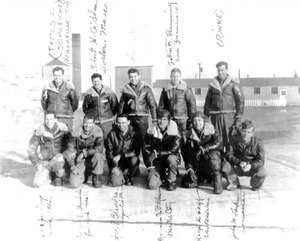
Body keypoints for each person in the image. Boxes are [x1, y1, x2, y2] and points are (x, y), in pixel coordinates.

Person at [204, 61, 245, 150]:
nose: (220, 72)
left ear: (227, 70)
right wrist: (206, 117)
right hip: (215, 117)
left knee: (230, 140)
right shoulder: (212, 85)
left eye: (222, 70)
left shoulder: (233, 83)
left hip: (229, 117)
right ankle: (219, 161)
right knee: (217, 140)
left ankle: (229, 161)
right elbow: (207, 102)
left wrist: (238, 117)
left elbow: (240, 101)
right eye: (218, 70)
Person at [182, 113, 223, 194]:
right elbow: (188, 154)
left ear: (204, 121)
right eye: (195, 121)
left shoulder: (212, 130)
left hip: (212, 160)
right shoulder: (190, 135)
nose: (197, 123)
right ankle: (204, 176)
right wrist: (190, 169)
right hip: (199, 163)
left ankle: (216, 178)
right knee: (187, 183)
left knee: (213, 155)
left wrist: (203, 149)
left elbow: (218, 143)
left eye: (200, 120)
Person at [27, 111, 70, 187]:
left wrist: (66, 130)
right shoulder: (41, 131)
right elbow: (31, 149)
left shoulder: (61, 129)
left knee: (58, 180)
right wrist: (36, 164)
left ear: (55, 119)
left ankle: (57, 175)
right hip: (45, 162)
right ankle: (48, 174)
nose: (49, 121)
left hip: (58, 160)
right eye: (47, 119)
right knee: (37, 184)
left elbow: (71, 143)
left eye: (51, 119)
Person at [143, 109, 181, 191]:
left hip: (170, 157)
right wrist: (150, 163)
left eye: (165, 119)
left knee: (172, 159)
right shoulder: (151, 130)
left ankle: (171, 180)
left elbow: (174, 149)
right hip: (157, 160)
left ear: (169, 121)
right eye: (160, 118)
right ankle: (161, 176)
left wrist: (158, 153)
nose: (162, 122)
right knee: (152, 185)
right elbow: (146, 147)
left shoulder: (175, 131)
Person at [223, 120, 267, 191]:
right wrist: (239, 162)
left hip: (251, 167)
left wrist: (251, 165)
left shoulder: (259, 143)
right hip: (237, 166)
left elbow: (261, 161)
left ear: (252, 134)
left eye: (248, 132)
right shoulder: (233, 140)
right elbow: (228, 155)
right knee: (225, 165)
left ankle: (255, 185)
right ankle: (234, 182)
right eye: (244, 131)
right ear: (240, 131)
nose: (246, 134)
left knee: (262, 172)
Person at [64, 114, 106, 188]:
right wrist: (73, 165)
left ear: (93, 124)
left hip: (93, 157)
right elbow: (70, 149)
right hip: (80, 159)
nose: (87, 125)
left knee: (98, 155)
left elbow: (99, 148)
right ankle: (85, 174)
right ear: (83, 122)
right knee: (74, 184)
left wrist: (84, 153)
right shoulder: (76, 131)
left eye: (90, 123)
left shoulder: (98, 131)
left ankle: (96, 177)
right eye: (86, 122)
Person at [118, 68, 157, 139]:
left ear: (139, 76)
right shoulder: (125, 90)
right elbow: (121, 106)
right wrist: (119, 118)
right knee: (131, 140)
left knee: (144, 140)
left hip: (142, 118)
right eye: (131, 77)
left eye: (135, 76)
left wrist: (154, 119)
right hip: (130, 118)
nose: (133, 79)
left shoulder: (146, 89)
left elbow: (153, 105)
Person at [158, 68, 196, 141]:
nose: (175, 78)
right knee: (170, 139)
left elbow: (192, 105)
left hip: (182, 120)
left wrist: (190, 120)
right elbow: (161, 106)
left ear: (180, 77)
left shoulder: (186, 89)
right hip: (170, 120)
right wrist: (163, 118)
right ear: (170, 76)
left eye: (177, 76)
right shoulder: (166, 89)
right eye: (173, 76)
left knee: (183, 139)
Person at [105, 114, 141, 186]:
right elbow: (109, 152)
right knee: (116, 183)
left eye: (123, 122)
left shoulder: (135, 133)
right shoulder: (112, 134)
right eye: (119, 123)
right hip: (116, 162)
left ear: (128, 122)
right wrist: (113, 166)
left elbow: (136, 151)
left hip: (128, 160)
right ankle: (119, 173)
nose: (121, 125)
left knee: (135, 159)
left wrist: (121, 155)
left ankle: (130, 174)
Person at [41, 66, 79, 131]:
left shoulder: (69, 87)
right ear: (53, 75)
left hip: (66, 118)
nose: (57, 77)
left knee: (66, 138)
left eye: (59, 75)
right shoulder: (48, 87)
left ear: (62, 75)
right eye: (55, 75)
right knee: (52, 138)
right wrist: (50, 112)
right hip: (52, 119)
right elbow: (44, 103)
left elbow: (75, 104)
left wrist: (67, 112)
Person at [82, 73, 118, 139]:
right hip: (95, 122)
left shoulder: (108, 91)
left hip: (107, 121)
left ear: (101, 81)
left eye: (98, 81)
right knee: (95, 140)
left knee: (108, 140)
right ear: (92, 81)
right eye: (94, 81)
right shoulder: (89, 93)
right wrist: (91, 117)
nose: (96, 83)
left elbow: (115, 105)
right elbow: (85, 108)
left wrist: (110, 116)